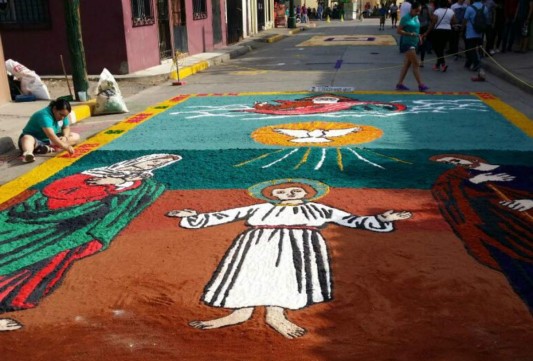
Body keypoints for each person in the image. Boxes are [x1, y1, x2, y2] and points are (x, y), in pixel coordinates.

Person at [167, 179, 412, 339]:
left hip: (300, 244)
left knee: (287, 277)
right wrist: (194, 216)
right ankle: (239, 313)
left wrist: (383, 219)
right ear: (273, 195)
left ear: (307, 193)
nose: (288, 193)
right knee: (249, 275)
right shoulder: (260, 209)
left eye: (295, 190)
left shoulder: (318, 209)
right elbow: (225, 215)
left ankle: (277, 315)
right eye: (281, 191)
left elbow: (350, 220)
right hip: (258, 242)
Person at [0, 153, 181, 332]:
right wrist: (107, 187)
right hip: (47, 220)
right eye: (152, 159)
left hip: (77, 229)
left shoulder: (146, 184)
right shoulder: (96, 173)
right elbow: (51, 192)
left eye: (158, 163)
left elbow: (129, 206)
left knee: (42, 264)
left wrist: (115, 188)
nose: (152, 163)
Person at [430, 154, 533, 313]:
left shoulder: (517, 170)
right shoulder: (458, 178)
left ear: (470, 158)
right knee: (522, 274)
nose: (453, 163)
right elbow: (447, 193)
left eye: (454, 160)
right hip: (501, 235)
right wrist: (474, 182)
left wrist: (530, 202)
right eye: (447, 163)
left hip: (526, 223)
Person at [18, 98, 80, 163]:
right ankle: (28, 154)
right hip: (36, 140)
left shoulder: (62, 114)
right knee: (27, 138)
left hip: (49, 141)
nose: (62, 118)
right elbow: (51, 135)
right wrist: (65, 146)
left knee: (75, 136)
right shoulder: (44, 115)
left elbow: (66, 127)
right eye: (61, 115)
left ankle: (45, 148)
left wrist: (65, 137)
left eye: (65, 116)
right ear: (54, 109)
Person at [396, 1, 430, 91]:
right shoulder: (405, 18)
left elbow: (416, 29)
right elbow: (399, 31)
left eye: (419, 11)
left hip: (414, 43)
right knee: (416, 63)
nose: (418, 13)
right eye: (416, 11)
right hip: (407, 43)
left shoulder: (416, 17)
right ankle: (420, 84)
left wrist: (419, 37)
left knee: (407, 65)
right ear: (411, 9)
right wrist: (409, 34)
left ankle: (399, 84)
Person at [463, 0, 489, 71]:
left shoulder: (469, 8)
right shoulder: (485, 8)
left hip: (470, 32)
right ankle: (469, 63)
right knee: (475, 48)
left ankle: (476, 63)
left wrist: (462, 28)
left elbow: (465, 19)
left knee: (470, 49)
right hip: (480, 32)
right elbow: (486, 19)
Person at [430, 0, 456, 71]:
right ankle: (437, 65)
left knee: (436, 47)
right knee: (441, 48)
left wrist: (427, 31)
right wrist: (447, 22)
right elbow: (454, 21)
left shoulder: (437, 11)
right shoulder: (451, 11)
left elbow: (433, 22)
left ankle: (443, 64)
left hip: (438, 30)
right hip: (448, 30)